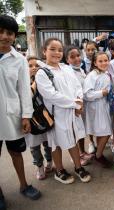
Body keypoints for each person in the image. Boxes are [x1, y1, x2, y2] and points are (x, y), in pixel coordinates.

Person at [35, 38, 91, 184]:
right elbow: (51, 95)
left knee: (73, 139)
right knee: (56, 143)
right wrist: (75, 104)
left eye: (59, 50)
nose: (57, 53)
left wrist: (79, 101)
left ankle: (78, 167)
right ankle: (59, 170)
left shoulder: (66, 68)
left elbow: (77, 86)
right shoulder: (42, 72)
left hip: (73, 113)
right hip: (56, 115)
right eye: (52, 49)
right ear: (44, 51)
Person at [0, 15, 41, 207]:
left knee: (16, 153)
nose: (4, 36)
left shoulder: (19, 60)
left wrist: (26, 115)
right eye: (1, 32)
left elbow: (24, 90)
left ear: (15, 36)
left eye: (9, 33)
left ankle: (24, 185)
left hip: (11, 115)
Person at [64, 45, 94, 165]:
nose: (77, 59)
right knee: (74, 132)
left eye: (78, 55)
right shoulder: (67, 72)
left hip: (82, 106)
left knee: (81, 131)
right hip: (75, 107)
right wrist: (77, 105)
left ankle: (82, 151)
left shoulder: (80, 69)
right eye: (72, 57)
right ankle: (76, 156)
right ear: (67, 60)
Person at [83, 52, 113, 168]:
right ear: (95, 63)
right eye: (100, 61)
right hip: (95, 107)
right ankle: (99, 155)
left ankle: (98, 153)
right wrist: (102, 93)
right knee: (106, 132)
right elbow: (86, 94)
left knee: (102, 132)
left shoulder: (105, 74)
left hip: (104, 105)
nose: (104, 63)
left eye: (106, 60)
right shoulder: (92, 75)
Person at [25, 56, 53, 180]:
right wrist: (35, 83)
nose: (34, 68)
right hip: (31, 120)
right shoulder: (23, 82)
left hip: (45, 118)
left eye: (37, 65)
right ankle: (39, 166)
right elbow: (28, 96)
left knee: (48, 143)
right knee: (34, 146)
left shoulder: (45, 79)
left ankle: (50, 162)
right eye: (30, 66)